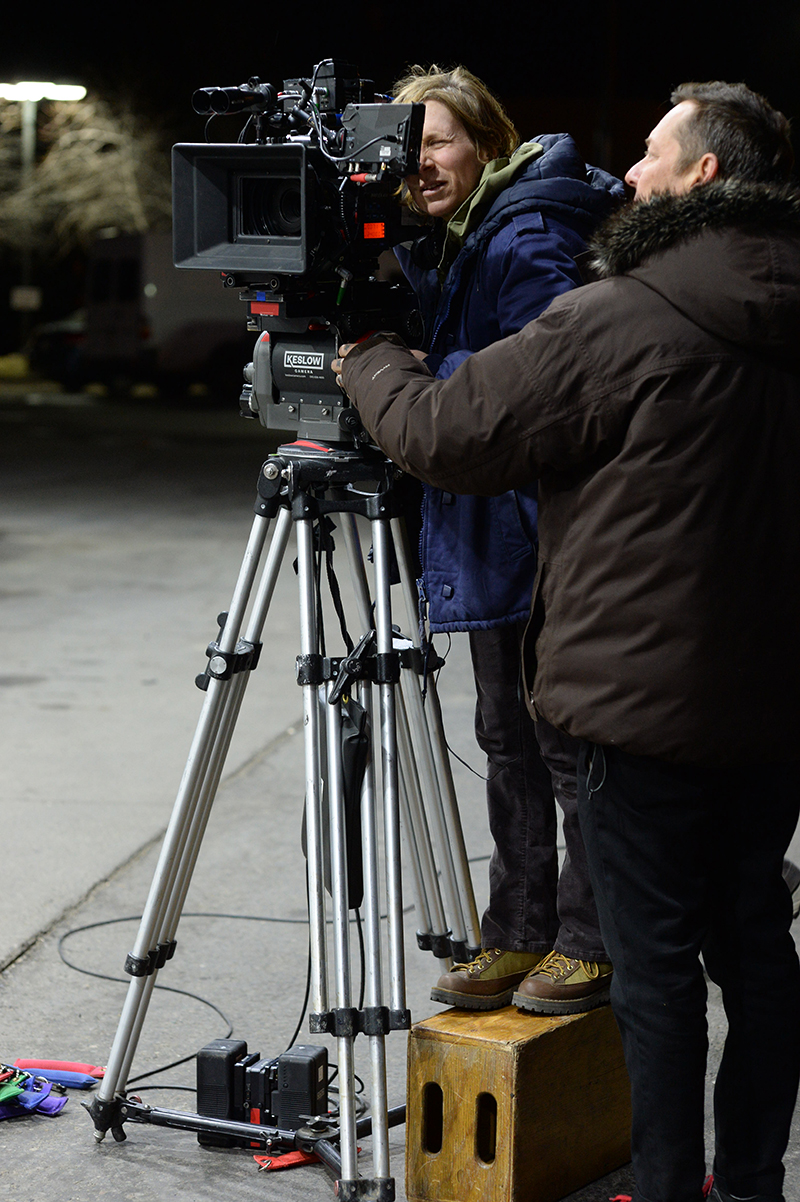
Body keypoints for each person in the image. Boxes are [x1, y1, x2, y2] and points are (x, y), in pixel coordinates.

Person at [334, 81, 800, 1202]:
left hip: (635, 708)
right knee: (755, 948)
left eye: (649, 152)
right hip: (773, 700)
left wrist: (366, 357)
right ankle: (745, 1181)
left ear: (700, 177)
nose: (625, 174)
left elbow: (450, 431)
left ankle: (663, 1182)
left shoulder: (619, 313)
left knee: (651, 975)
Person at [388, 64, 624, 1014]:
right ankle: (519, 933)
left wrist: (421, 370)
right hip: (498, 528)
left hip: (548, 530)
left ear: (485, 139)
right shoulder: (459, 234)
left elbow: (553, 371)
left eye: (437, 140)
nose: (420, 162)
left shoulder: (527, 225)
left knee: (562, 747)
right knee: (507, 738)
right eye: (405, 148)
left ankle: (588, 941)